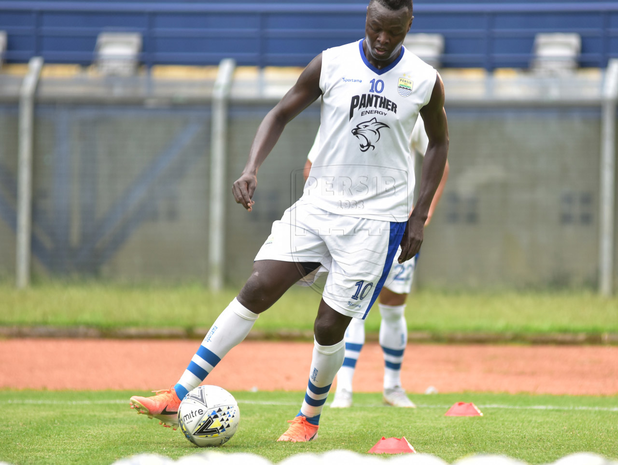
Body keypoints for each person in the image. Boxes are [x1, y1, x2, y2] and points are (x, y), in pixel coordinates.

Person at [129, 0, 449, 443]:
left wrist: (419, 213)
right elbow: (279, 113)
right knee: (257, 287)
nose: (381, 39)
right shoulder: (331, 63)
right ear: (367, 19)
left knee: (328, 326)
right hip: (318, 207)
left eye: (393, 31)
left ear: (409, 24)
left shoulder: (425, 80)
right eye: (375, 27)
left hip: (378, 222)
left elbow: (438, 143)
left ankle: (308, 419)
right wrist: (251, 167)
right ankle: (179, 393)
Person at [303, 116, 450, 409]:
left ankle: (392, 387)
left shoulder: (410, 107)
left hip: (395, 226)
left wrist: (424, 213)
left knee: (394, 307)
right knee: (350, 307)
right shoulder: (342, 109)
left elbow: (440, 159)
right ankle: (343, 389)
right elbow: (311, 167)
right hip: (352, 230)